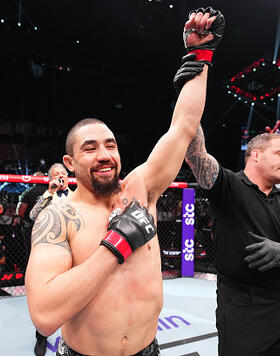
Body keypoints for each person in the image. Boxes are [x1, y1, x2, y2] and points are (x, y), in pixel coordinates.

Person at [25, 8, 224, 356]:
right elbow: (44, 316)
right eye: (90, 148)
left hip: (149, 349)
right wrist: (116, 245)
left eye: (110, 145)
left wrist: (201, 55)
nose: (104, 154)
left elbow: (182, 128)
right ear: (70, 163)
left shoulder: (139, 189)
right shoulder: (58, 217)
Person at [185, 114, 280, 352]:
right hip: (244, 309)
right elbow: (196, 155)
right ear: (256, 155)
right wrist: (188, 103)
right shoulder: (230, 186)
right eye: (279, 154)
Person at [28, 163, 72, 356]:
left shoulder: (78, 196)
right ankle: (41, 337)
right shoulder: (45, 197)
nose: (60, 177)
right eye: (56, 175)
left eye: (63, 173)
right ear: (50, 178)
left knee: (75, 295)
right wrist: (49, 193)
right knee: (48, 298)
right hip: (52, 252)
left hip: (74, 248)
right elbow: (32, 215)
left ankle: (75, 337)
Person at [16, 171, 46, 268]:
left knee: (30, 251)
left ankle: (30, 274)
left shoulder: (28, 192)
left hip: (31, 226)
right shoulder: (52, 192)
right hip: (49, 225)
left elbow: (19, 212)